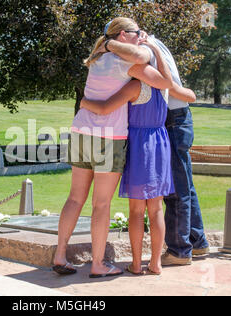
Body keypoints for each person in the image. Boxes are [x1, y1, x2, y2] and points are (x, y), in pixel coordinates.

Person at [52, 17, 177, 278]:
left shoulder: (97, 57)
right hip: (109, 137)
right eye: (136, 32)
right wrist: (152, 49)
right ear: (123, 35)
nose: (140, 35)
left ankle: (60, 255)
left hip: (80, 130)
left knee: (75, 198)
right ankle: (98, 264)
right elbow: (166, 83)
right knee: (101, 204)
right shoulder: (129, 62)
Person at [93, 20, 210, 266]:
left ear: (123, 36)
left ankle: (179, 250)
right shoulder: (153, 46)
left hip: (165, 124)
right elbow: (176, 88)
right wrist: (184, 93)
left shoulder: (145, 48)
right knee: (183, 184)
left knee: (174, 192)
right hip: (168, 122)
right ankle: (196, 242)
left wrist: (107, 45)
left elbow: (165, 83)